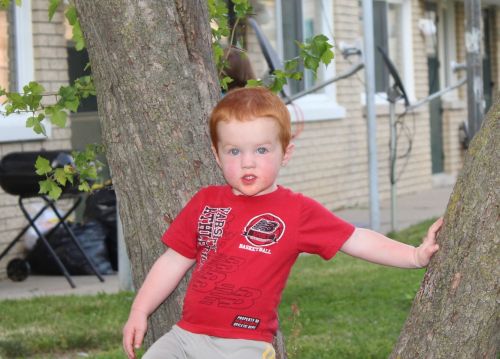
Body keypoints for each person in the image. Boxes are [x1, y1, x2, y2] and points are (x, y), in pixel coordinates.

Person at [122, 87, 442, 359]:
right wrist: (140, 310)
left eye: (261, 150)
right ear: (217, 156)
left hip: (244, 344)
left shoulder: (297, 211)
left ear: (285, 153)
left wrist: (414, 256)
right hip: (184, 338)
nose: (248, 161)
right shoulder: (206, 202)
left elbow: (355, 238)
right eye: (234, 151)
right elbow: (173, 261)